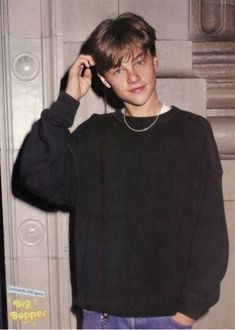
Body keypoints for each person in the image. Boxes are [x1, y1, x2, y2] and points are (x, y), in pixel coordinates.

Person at [18, 12, 228, 329]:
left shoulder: (191, 132)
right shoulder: (94, 135)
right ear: (104, 80)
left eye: (139, 62)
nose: (132, 77)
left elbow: (210, 229)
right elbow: (36, 178)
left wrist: (186, 313)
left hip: (166, 316)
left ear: (155, 61)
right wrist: (67, 102)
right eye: (119, 69)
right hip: (102, 317)